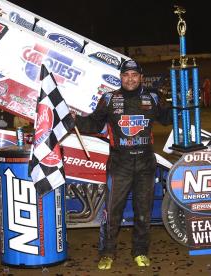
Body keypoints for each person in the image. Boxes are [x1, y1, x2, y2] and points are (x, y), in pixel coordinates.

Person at [72, 60, 171, 270]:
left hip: (145, 165)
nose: (130, 79)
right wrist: (74, 120)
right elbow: (94, 123)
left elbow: (167, 118)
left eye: (135, 75)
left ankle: (141, 251)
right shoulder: (109, 98)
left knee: (143, 211)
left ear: (141, 77)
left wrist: (182, 104)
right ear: (121, 77)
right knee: (112, 211)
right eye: (126, 75)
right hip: (119, 165)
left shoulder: (152, 97)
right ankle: (107, 253)